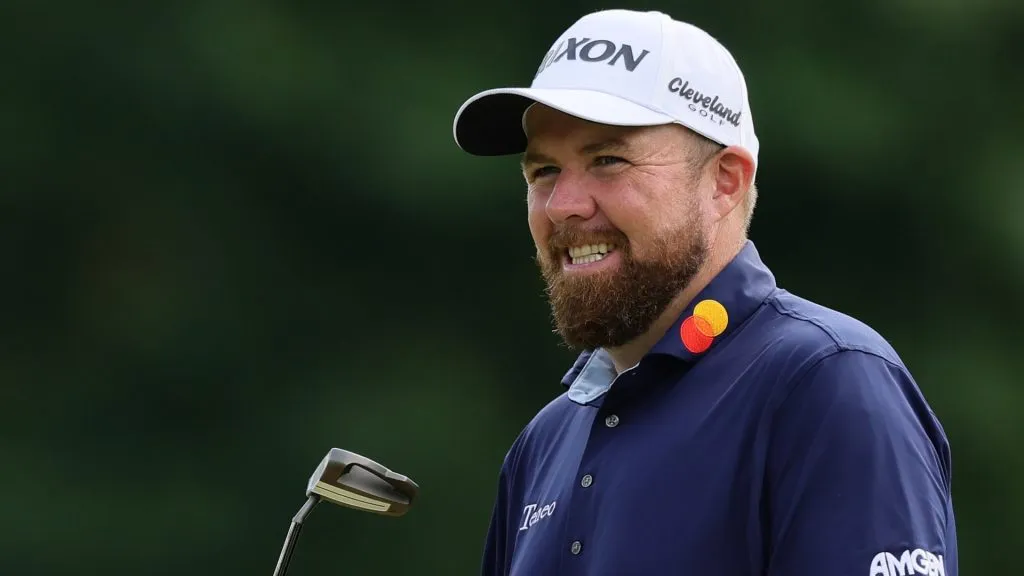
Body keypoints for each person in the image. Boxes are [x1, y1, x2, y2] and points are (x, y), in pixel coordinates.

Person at [451, 8, 957, 576]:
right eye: (543, 171)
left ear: (725, 182)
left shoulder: (826, 383)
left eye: (608, 160)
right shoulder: (543, 445)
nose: (564, 204)